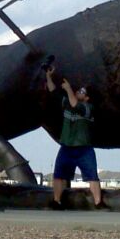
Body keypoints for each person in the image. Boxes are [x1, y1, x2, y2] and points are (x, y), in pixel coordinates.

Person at [45, 66, 104, 209]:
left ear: (87, 97)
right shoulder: (66, 103)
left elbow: (75, 104)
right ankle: (56, 201)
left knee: (92, 176)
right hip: (66, 147)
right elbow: (53, 91)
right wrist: (48, 77)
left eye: (82, 92)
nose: (79, 92)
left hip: (84, 148)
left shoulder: (88, 108)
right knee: (58, 175)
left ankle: (98, 203)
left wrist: (69, 89)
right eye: (79, 90)